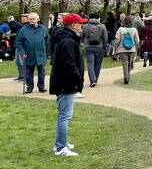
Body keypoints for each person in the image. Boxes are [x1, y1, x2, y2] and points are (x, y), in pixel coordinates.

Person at [50, 13, 87, 157]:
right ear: (73, 25)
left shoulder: (68, 39)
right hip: (65, 83)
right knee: (64, 116)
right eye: (80, 24)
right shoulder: (67, 41)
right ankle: (60, 148)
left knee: (64, 115)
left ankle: (62, 143)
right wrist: (78, 79)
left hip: (65, 82)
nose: (82, 26)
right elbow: (69, 64)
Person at [16, 13, 48, 94]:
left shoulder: (43, 28)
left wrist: (48, 52)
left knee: (42, 71)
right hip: (29, 54)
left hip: (41, 54)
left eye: (33, 19)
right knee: (29, 71)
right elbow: (19, 42)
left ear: (38, 19)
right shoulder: (24, 29)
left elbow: (48, 41)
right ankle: (29, 87)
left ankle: (41, 86)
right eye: (30, 19)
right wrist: (22, 52)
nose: (32, 21)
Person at [81, 13, 108, 87]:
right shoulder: (102, 26)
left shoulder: (86, 26)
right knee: (98, 64)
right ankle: (95, 79)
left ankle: (92, 80)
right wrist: (105, 47)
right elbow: (105, 38)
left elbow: (82, 36)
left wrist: (83, 43)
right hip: (100, 47)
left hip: (88, 47)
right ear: (98, 18)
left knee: (90, 64)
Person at [112, 16, 140, 84]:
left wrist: (117, 46)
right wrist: (137, 45)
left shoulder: (120, 29)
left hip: (122, 49)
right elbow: (137, 40)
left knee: (125, 63)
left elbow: (117, 39)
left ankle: (126, 77)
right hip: (132, 49)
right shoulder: (134, 29)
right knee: (129, 63)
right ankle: (128, 76)